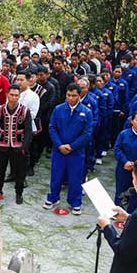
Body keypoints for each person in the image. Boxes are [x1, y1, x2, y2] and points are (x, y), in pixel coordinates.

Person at [44, 83, 92, 215]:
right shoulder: (58, 109)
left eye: (74, 95)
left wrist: (72, 146)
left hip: (76, 151)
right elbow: (52, 128)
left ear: (79, 95)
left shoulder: (86, 112)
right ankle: (53, 198)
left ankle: (75, 202)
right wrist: (59, 145)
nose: (71, 98)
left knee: (75, 177)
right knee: (56, 175)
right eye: (68, 95)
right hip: (59, 150)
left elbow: (87, 134)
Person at [0, 84, 32, 204]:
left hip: (18, 147)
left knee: (19, 172)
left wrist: (25, 147)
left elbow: (28, 130)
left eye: (16, 95)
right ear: (7, 95)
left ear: (19, 96)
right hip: (2, 145)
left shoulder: (24, 110)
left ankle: (19, 193)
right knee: (0, 170)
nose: (14, 97)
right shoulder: (0, 109)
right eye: (11, 95)